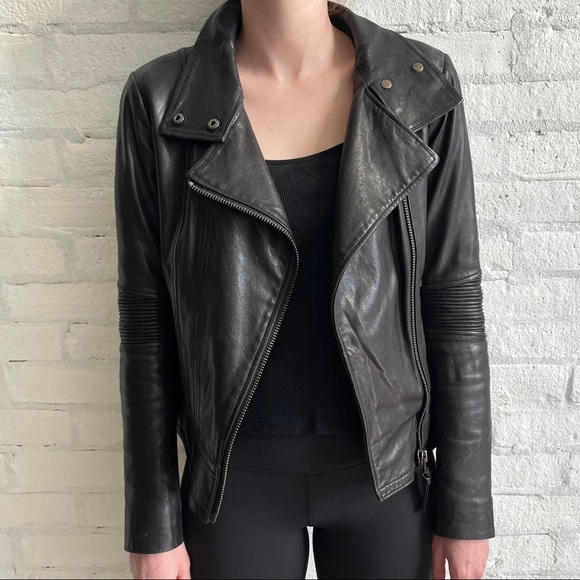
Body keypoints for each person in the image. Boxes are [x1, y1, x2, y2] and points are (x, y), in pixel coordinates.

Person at [113, 0, 495, 578]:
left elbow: (453, 301)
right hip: (231, 489)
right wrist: (153, 523)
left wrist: (466, 506)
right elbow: (148, 322)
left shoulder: (419, 85)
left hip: (389, 480)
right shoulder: (161, 98)